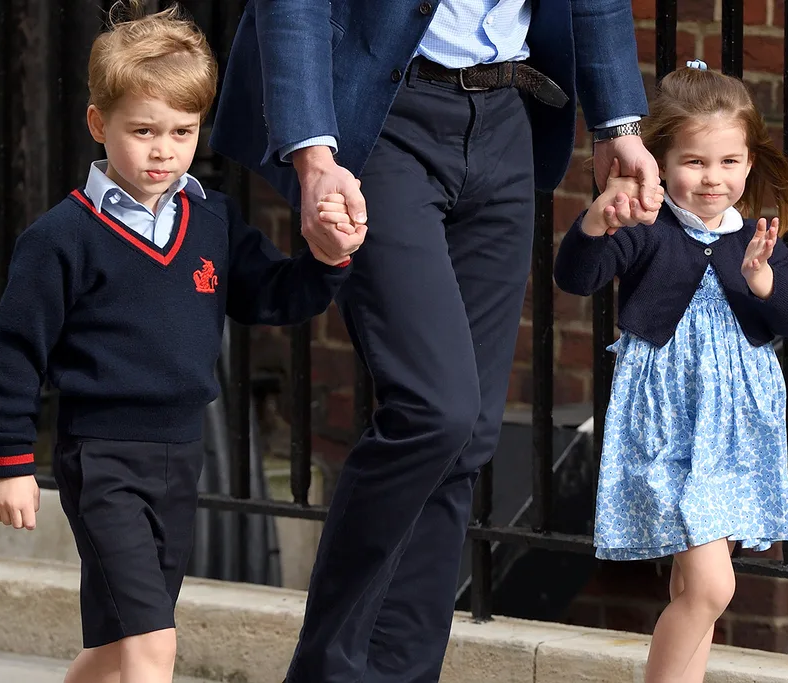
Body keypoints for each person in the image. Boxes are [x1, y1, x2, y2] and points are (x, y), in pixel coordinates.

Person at [210, 2, 661, 682]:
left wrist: (616, 121)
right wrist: (312, 155)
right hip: (382, 113)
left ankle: (400, 672)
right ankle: (326, 672)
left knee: (471, 431)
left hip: (505, 113)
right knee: (432, 409)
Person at [0, 4, 362, 683]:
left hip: (181, 457)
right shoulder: (59, 239)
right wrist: (12, 461)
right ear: (100, 125)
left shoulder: (213, 219)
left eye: (182, 131)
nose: (163, 149)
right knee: (155, 647)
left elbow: (274, 295)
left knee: (115, 648)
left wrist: (327, 258)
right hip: (101, 459)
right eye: (143, 130)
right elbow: (13, 350)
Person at [553, 61, 788, 683]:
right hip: (668, 419)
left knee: (697, 592)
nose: (712, 178)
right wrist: (595, 221)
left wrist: (763, 281)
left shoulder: (757, 239)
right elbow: (576, 277)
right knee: (709, 589)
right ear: (661, 162)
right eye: (695, 162)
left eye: (728, 162)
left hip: (738, 427)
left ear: (750, 163)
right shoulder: (647, 227)